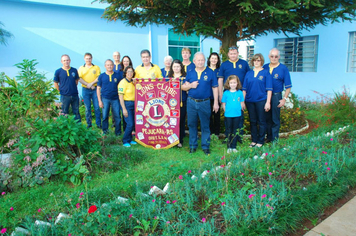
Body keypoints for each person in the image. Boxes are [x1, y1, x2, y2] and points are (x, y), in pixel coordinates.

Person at [185, 52, 219, 155]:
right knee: (192, 124)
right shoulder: (190, 72)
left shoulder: (210, 72)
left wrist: (216, 102)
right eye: (198, 60)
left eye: (202, 60)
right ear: (194, 61)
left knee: (205, 125)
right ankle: (192, 146)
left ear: (205, 61)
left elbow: (215, 87)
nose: (200, 62)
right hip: (191, 102)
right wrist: (191, 85)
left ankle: (205, 146)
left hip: (205, 102)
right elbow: (183, 87)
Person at [218, 46, 250, 142]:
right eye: (231, 53)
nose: (233, 55)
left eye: (235, 53)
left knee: (239, 115)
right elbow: (220, 79)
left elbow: (248, 79)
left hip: (240, 93)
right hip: (227, 93)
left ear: (237, 53)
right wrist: (220, 94)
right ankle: (228, 136)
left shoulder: (244, 63)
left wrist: (244, 96)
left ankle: (238, 136)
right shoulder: (224, 65)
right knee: (228, 115)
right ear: (228, 54)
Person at [242, 54, 272, 148]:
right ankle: (254, 140)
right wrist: (242, 101)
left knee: (261, 121)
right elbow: (244, 89)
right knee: (253, 121)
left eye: (258, 60)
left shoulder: (266, 73)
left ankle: (260, 140)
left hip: (261, 100)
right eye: (255, 60)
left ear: (262, 61)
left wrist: (268, 102)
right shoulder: (249, 73)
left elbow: (269, 89)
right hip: (250, 101)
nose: (256, 62)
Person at [263, 48, 292, 142]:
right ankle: (269, 137)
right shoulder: (265, 67)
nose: (274, 58)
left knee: (275, 118)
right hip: (266, 96)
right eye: (272, 56)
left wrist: (284, 99)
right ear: (269, 56)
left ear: (279, 57)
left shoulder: (283, 68)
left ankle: (274, 139)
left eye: (276, 56)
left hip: (276, 95)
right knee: (267, 117)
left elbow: (288, 86)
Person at [97, 59, 123, 136]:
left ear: (113, 66)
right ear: (105, 66)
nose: (109, 66)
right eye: (108, 65)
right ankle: (105, 131)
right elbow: (98, 88)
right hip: (105, 99)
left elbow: (121, 87)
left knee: (117, 116)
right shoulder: (102, 76)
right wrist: (99, 101)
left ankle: (118, 132)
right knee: (105, 116)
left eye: (111, 65)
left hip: (115, 99)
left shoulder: (117, 75)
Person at [221, 75, 245, 153]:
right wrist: (225, 111)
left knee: (235, 130)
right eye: (231, 83)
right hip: (228, 115)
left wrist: (240, 111)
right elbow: (223, 103)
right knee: (229, 130)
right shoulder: (226, 93)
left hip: (237, 115)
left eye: (234, 82)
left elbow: (242, 103)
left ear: (237, 83)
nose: (233, 84)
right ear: (228, 84)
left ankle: (234, 146)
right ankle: (229, 146)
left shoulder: (240, 92)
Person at [54, 54, 81, 121]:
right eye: (64, 60)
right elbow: (55, 83)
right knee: (64, 112)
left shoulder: (74, 70)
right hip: (64, 96)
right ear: (61, 62)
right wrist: (60, 91)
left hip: (74, 95)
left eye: (67, 60)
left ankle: (78, 127)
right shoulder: (58, 72)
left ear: (70, 61)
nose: (66, 62)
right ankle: (65, 127)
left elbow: (76, 81)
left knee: (76, 112)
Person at [78, 53, 101, 128]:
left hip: (94, 89)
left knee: (97, 107)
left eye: (89, 58)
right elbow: (79, 78)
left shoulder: (96, 67)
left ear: (92, 58)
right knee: (87, 108)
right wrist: (87, 84)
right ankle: (89, 124)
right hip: (85, 89)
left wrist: (91, 84)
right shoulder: (81, 68)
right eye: (87, 58)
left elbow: (98, 77)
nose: (88, 60)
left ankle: (98, 124)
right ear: (84, 59)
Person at [168, 59, 187, 148]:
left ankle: (179, 140)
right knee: (171, 121)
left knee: (180, 121)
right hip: (170, 102)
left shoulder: (185, 77)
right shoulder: (168, 77)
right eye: (174, 66)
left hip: (181, 102)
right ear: (172, 67)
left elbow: (187, 88)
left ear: (181, 67)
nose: (176, 68)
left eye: (178, 66)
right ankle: (171, 140)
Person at [118, 66, 137, 147]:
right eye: (128, 71)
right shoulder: (122, 82)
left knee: (132, 124)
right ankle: (125, 140)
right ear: (125, 73)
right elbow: (120, 96)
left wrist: (135, 83)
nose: (130, 73)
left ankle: (130, 139)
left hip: (134, 104)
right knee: (129, 124)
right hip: (127, 104)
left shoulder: (132, 82)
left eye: (131, 72)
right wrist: (124, 109)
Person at [207, 52, 221, 136]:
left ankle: (216, 134)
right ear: (209, 59)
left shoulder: (220, 70)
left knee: (216, 116)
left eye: (215, 58)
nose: (214, 60)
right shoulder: (206, 70)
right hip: (207, 96)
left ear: (218, 60)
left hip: (217, 96)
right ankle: (209, 133)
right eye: (212, 58)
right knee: (208, 116)